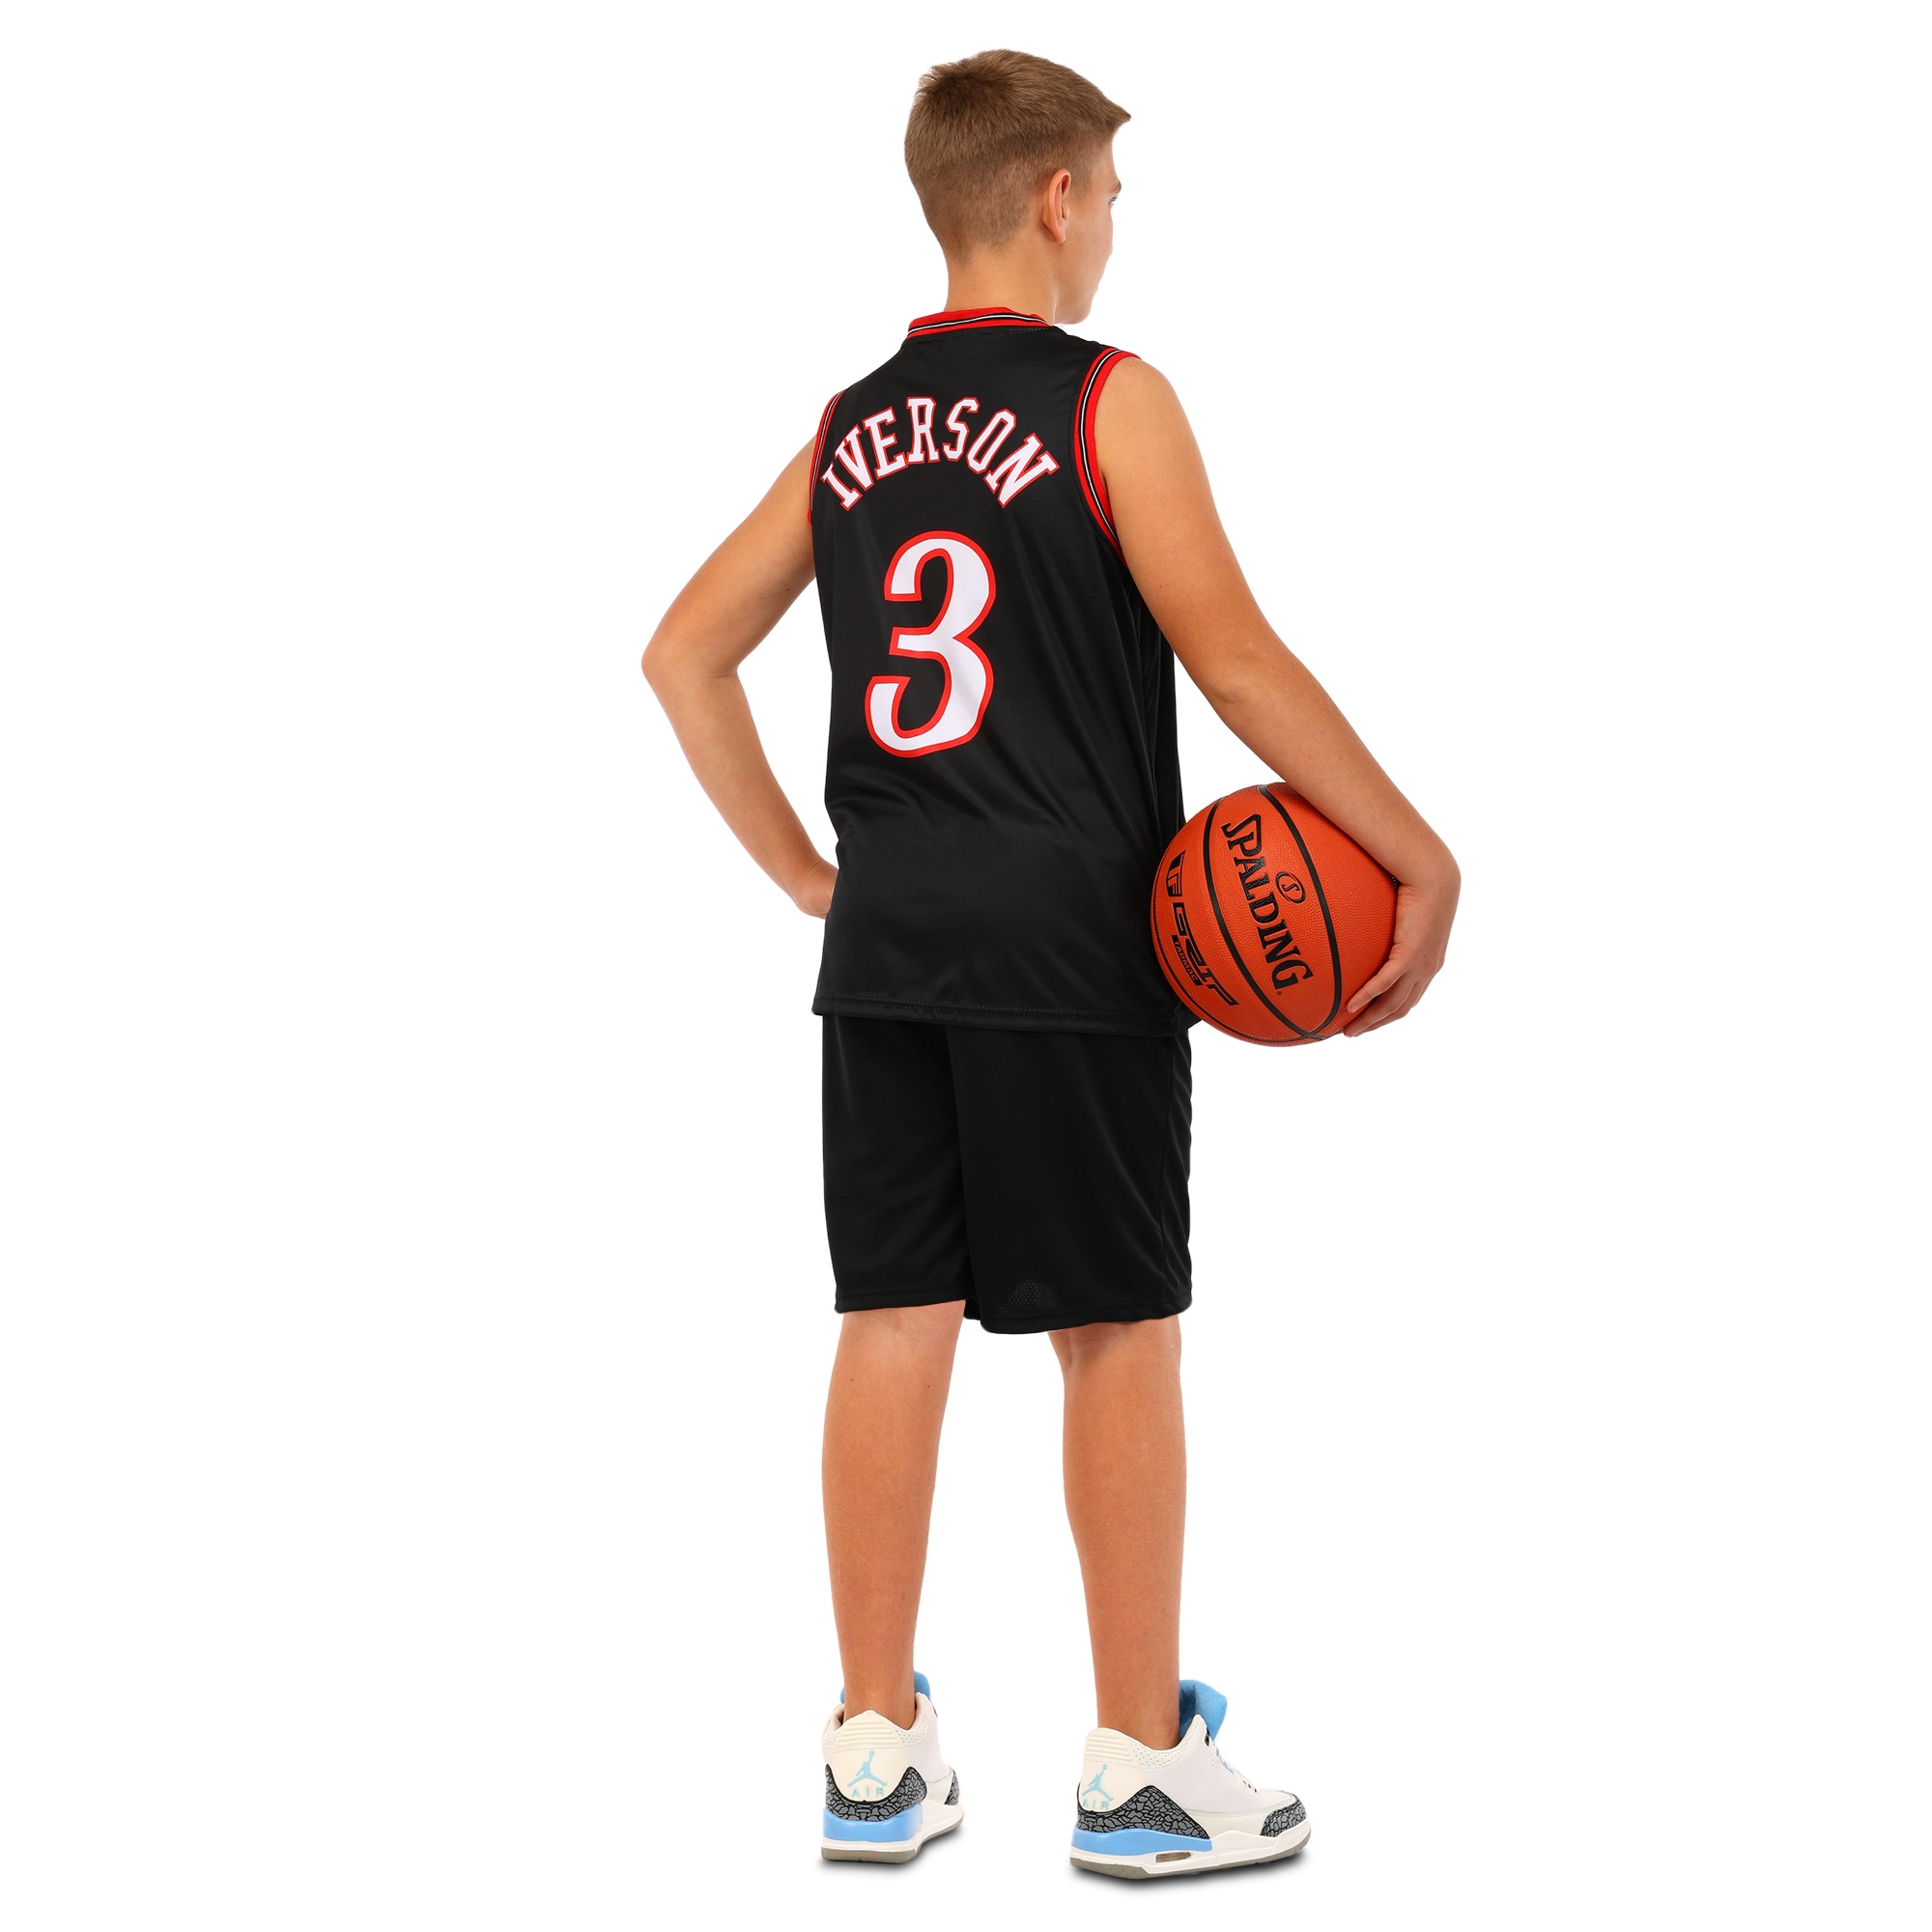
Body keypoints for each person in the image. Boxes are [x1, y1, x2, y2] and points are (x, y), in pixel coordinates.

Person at [643, 48, 1459, 1880]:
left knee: (891, 1317)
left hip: (894, 946)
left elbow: (683, 652)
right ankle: (1144, 1764)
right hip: (1074, 939)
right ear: (1057, 195)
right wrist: (1420, 851)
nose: (1114, 231)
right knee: (1115, 1332)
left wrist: (813, 877)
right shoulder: (1111, 400)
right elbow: (1235, 660)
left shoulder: (850, 425)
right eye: (1114, 194)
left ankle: (873, 1750)